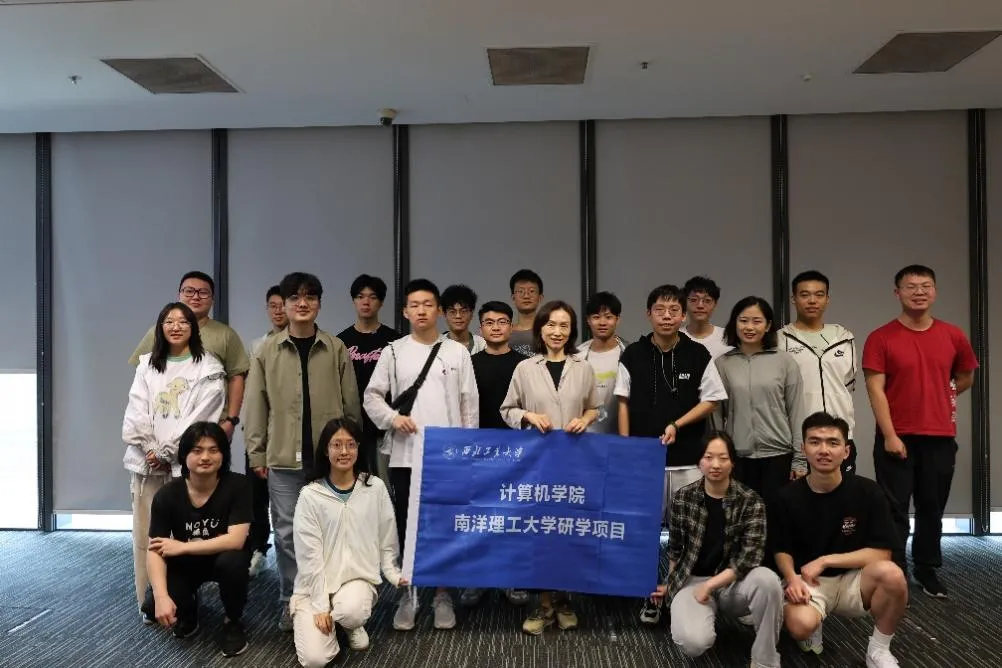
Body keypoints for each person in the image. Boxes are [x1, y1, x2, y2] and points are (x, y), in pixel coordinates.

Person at [244, 272, 362, 632]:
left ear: (319, 304)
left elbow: (350, 405)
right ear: (283, 304)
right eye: (294, 297)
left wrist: (351, 449)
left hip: (330, 460)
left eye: (310, 296)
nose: (302, 303)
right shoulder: (266, 350)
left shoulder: (335, 348)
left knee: (334, 533)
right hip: (284, 459)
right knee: (286, 534)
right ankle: (292, 601)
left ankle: (331, 600)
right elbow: (256, 405)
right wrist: (256, 453)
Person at [363, 278, 479, 632]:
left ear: (439, 311)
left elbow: (469, 405)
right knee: (407, 525)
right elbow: (372, 396)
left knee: (444, 525)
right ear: (405, 311)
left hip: (448, 457)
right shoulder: (393, 351)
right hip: (405, 455)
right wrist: (392, 419)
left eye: (428, 304)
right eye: (415, 305)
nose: (422, 310)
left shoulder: (456, 352)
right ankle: (409, 593)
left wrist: (467, 453)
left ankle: (443, 594)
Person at [615, 285, 728, 625]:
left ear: (682, 315)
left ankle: (677, 593)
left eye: (673, 310)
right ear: (648, 314)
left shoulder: (697, 354)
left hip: (688, 460)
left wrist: (677, 424)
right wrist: (627, 448)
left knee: (685, 532)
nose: (666, 316)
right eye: (660, 310)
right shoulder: (633, 354)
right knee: (645, 532)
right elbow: (623, 402)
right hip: (644, 461)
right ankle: (649, 595)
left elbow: (712, 399)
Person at [863, 264, 978, 597]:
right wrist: (890, 435)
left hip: (940, 437)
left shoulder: (953, 335)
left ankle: (926, 569)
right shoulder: (881, 337)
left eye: (925, 286)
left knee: (932, 508)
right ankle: (895, 571)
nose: (919, 292)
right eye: (910, 286)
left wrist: (940, 396)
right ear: (897, 293)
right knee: (895, 510)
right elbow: (875, 389)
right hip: (896, 436)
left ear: (935, 291)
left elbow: (966, 376)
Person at [771, 412, 908, 668]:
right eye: (815, 442)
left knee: (893, 575)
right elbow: (781, 548)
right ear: (803, 449)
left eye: (833, 443)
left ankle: (878, 650)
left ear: (846, 452)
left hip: (853, 580)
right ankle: (814, 624)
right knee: (800, 625)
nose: (824, 450)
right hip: (808, 581)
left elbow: (882, 553)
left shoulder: (868, 492)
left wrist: (825, 560)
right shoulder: (786, 497)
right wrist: (791, 578)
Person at [123, 302, 226, 625]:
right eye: (169, 321)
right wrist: (151, 449)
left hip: (188, 470)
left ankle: (182, 603)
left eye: (183, 321)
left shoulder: (208, 367)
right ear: (160, 327)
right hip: (147, 466)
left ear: (194, 328)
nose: (176, 326)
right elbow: (136, 412)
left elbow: (202, 418)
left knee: (186, 539)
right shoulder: (147, 365)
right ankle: (150, 602)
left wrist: (168, 452)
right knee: (147, 537)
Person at [500, 300, 599, 635]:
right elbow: (507, 410)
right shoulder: (525, 368)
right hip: (537, 465)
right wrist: (528, 415)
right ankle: (544, 605)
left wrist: (585, 420)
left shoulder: (583, 367)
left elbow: (594, 407)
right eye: (551, 325)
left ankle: (564, 600)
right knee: (540, 534)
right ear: (540, 328)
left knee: (569, 531)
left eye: (564, 326)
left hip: (573, 463)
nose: (557, 332)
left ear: (572, 331)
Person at [649, 431, 783, 668]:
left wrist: (710, 586)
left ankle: (765, 660)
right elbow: (675, 550)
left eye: (723, 458)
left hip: (733, 582)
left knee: (768, 581)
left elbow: (748, 559)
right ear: (699, 462)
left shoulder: (750, 501)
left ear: (733, 462)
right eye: (709, 457)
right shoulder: (683, 498)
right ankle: (704, 619)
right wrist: (670, 584)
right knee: (693, 642)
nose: (716, 465)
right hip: (692, 581)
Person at [291, 418, 406, 667]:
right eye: (336, 445)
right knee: (314, 660)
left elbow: (387, 536)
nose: (344, 451)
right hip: (314, 588)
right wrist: (320, 606)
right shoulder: (310, 495)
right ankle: (327, 624)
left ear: (358, 448)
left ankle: (349, 624)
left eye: (350, 444)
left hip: (356, 579)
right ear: (326, 450)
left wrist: (393, 573)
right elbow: (308, 557)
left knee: (352, 612)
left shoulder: (374, 487)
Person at [142, 422, 253, 658]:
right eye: (197, 450)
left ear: (223, 454)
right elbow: (155, 549)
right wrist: (161, 596)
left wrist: (183, 546)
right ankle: (188, 611)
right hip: (188, 563)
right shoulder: (167, 495)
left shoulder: (238, 486)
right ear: (184, 456)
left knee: (233, 563)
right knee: (152, 606)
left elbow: (235, 540)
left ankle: (232, 621)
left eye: (213, 450)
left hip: (224, 559)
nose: (205, 457)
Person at [459, 301, 528, 608]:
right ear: (481, 328)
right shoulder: (469, 364)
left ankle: (511, 578)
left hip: (516, 452)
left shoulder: (525, 365)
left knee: (513, 519)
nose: (496, 327)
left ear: (511, 327)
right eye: (489, 322)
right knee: (480, 519)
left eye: (502, 322)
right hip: (478, 452)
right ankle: (478, 578)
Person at [129, 271, 250, 442]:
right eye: (189, 291)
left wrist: (231, 421)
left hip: (211, 424)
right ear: (179, 295)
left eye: (203, 292)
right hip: (161, 424)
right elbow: (143, 377)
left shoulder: (226, 335)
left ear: (212, 299)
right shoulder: (158, 331)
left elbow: (236, 377)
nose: (196, 296)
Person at [715, 296, 807, 501]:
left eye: (757, 321)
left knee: (777, 516)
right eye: (743, 320)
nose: (749, 327)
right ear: (734, 323)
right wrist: (719, 456)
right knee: (741, 516)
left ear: (768, 326)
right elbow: (716, 416)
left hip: (779, 455)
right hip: (738, 457)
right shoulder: (723, 364)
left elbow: (797, 412)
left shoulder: (784, 362)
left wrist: (800, 460)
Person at [780, 270, 859, 474]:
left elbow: (848, 384)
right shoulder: (780, 340)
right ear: (793, 299)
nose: (812, 301)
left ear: (827, 299)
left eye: (819, 294)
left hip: (839, 435)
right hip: (798, 439)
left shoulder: (844, 338)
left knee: (843, 492)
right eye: (804, 295)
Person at [336, 274, 401, 480]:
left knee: (385, 483)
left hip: (385, 426)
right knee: (353, 483)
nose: (366, 302)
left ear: (381, 302)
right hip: (351, 425)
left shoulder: (395, 341)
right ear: (353, 301)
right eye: (360, 296)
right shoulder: (341, 342)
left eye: (372, 297)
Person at [246, 285, 289, 578]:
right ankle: (259, 548)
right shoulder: (257, 346)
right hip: (261, 429)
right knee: (256, 496)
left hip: (288, 432)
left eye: (282, 305)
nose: (278, 311)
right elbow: (254, 396)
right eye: (272, 305)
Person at [576, 291, 626, 434]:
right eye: (596, 317)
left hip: (620, 435)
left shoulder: (629, 353)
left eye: (608, 317)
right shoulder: (577, 356)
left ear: (618, 319)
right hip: (584, 435)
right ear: (588, 320)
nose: (602, 323)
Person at [682, 276, 732, 359]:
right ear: (685, 302)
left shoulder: (727, 338)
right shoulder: (675, 338)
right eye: (694, 300)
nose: (700, 305)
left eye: (707, 300)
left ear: (715, 305)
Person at [440, 284, 487, 354]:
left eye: (463, 311)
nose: (458, 316)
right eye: (452, 312)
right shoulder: (436, 347)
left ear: (471, 313)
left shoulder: (483, 346)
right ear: (444, 314)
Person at [508, 269, 544, 357]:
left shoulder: (550, 331)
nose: (526, 296)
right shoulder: (503, 333)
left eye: (531, 291)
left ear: (540, 298)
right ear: (513, 298)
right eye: (521, 291)